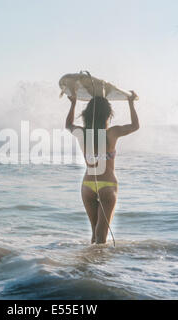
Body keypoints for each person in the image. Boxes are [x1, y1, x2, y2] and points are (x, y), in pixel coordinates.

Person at [65, 92, 139, 244]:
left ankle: (88, 265)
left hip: (87, 186)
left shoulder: (82, 133)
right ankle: (96, 265)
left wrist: (73, 103)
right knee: (102, 235)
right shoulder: (112, 132)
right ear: (108, 115)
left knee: (95, 233)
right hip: (108, 185)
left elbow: (68, 125)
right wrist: (130, 102)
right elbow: (135, 126)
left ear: (86, 115)